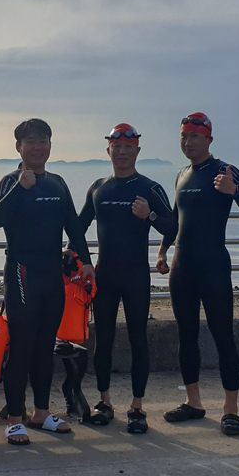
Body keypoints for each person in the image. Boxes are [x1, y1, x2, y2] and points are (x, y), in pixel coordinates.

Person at [0, 118, 93, 444]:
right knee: (22, 346)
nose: (38, 147)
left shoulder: (58, 182)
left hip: (51, 274)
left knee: (46, 346)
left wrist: (87, 261)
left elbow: (73, 225)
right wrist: (21, 188)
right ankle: (15, 418)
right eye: (31, 141)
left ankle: (41, 412)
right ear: (18, 147)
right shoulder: (10, 182)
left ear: (50, 145)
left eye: (43, 141)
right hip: (22, 272)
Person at [162, 112, 239, 435]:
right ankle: (193, 402)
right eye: (184, 136)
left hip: (214, 266)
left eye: (195, 136)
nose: (188, 142)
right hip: (182, 267)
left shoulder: (225, 171)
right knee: (186, 335)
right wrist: (162, 251)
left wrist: (234, 191)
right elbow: (175, 220)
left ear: (209, 140)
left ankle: (231, 410)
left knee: (223, 336)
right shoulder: (181, 175)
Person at [78, 123, 177, 434]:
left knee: (138, 339)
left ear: (137, 151)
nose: (121, 152)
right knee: (103, 340)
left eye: (128, 148)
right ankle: (104, 402)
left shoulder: (150, 188)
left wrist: (150, 216)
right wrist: (79, 257)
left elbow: (173, 227)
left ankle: (137, 407)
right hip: (105, 275)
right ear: (108, 150)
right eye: (116, 147)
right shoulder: (98, 188)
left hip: (136, 276)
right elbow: (78, 227)